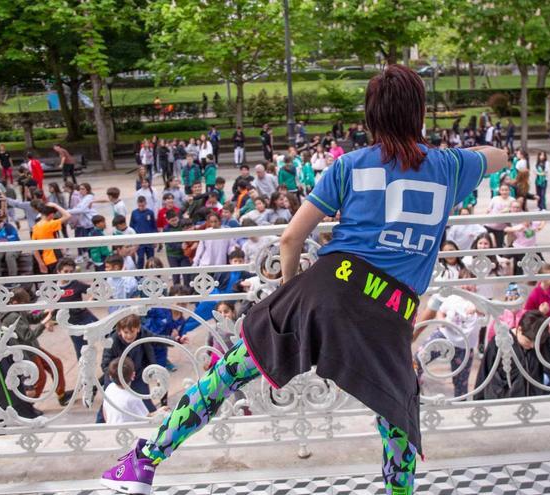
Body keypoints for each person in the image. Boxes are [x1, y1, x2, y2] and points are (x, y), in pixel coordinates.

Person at [99, 64, 506, 495]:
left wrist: (288, 290)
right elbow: (498, 156)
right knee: (396, 414)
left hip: (328, 289)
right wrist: (449, 152)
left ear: (371, 115)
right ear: (419, 112)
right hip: (391, 309)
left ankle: (144, 461)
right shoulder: (450, 166)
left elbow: (292, 236)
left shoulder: (349, 165)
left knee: (228, 373)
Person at [475, 310, 550, 399]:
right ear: (519, 329)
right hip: (503, 402)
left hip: (530, 404)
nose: (532, 346)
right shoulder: (500, 342)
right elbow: (484, 373)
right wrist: (478, 402)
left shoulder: (539, 343)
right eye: (528, 341)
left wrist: (548, 340)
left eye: (536, 343)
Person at [104, 357, 169, 424]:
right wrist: (159, 412)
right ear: (133, 375)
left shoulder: (109, 388)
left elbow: (105, 412)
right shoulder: (132, 398)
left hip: (112, 429)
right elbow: (146, 419)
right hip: (130, 432)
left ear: (110, 377)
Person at [31, 202, 72, 274]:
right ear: (51, 215)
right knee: (60, 281)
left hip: (46, 259)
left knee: (53, 282)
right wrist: (55, 205)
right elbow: (67, 215)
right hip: (55, 256)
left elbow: (35, 249)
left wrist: (40, 263)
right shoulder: (50, 224)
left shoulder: (35, 227)